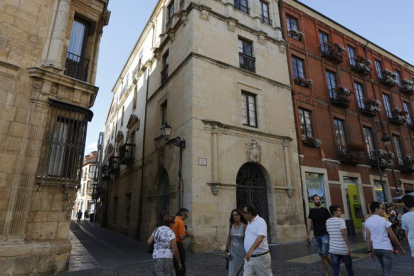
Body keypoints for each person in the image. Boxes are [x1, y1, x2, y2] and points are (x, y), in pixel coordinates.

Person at [365, 202, 405, 276]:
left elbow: (367, 237)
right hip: (386, 248)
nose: (383, 210)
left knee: (384, 269)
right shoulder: (384, 220)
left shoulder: (368, 221)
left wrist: (369, 251)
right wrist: (401, 248)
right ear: (376, 209)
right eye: (382, 208)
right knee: (388, 272)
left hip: (376, 248)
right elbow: (393, 236)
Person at [242, 204, 272, 276]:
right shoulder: (249, 223)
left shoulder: (260, 221)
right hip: (249, 258)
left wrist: (250, 251)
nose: (243, 214)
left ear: (250, 213)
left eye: (244, 212)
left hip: (260, 258)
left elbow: (260, 238)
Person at [306, 195, 332, 276]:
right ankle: (326, 272)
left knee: (325, 254)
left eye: (319, 199)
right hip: (316, 235)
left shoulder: (325, 210)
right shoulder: (312, 211)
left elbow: (330, 221)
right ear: (313, 201)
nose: (318, 201)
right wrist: (308, 234)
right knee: (321, 255)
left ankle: (335, 267)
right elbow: (309, 223)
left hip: (325, 234)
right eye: (316, 199)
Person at [326, 205, 355, 276]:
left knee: (336, 268)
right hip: (342, 248)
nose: (340, 212)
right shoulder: (341, 220)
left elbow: (329, 233)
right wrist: (347, 246)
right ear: (334, 212)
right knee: (349, 267)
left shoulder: (327, 221)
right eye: (339, 211)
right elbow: (343, 233)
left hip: (333, 249)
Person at [225, 209, 247, 276]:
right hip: (232, 254)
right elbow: (229, 238)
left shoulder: (244, 226)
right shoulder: (231, 226)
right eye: (233, 215)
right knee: (231, 274)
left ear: (240, 215)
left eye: (236, 215)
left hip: (242, 254)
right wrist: (226, 250)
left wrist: (247, 254)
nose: (235, 216)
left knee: (240, 274)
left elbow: (247, 241)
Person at [171, 208, 191, 276]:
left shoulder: (172, 220)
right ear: (184, 214)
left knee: (172, 263)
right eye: (187, 216)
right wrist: (187, 235)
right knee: (180, 264)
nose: (187, 217)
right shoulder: (180, 222)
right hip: (178, 244)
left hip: (170, 244)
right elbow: (181, 237)